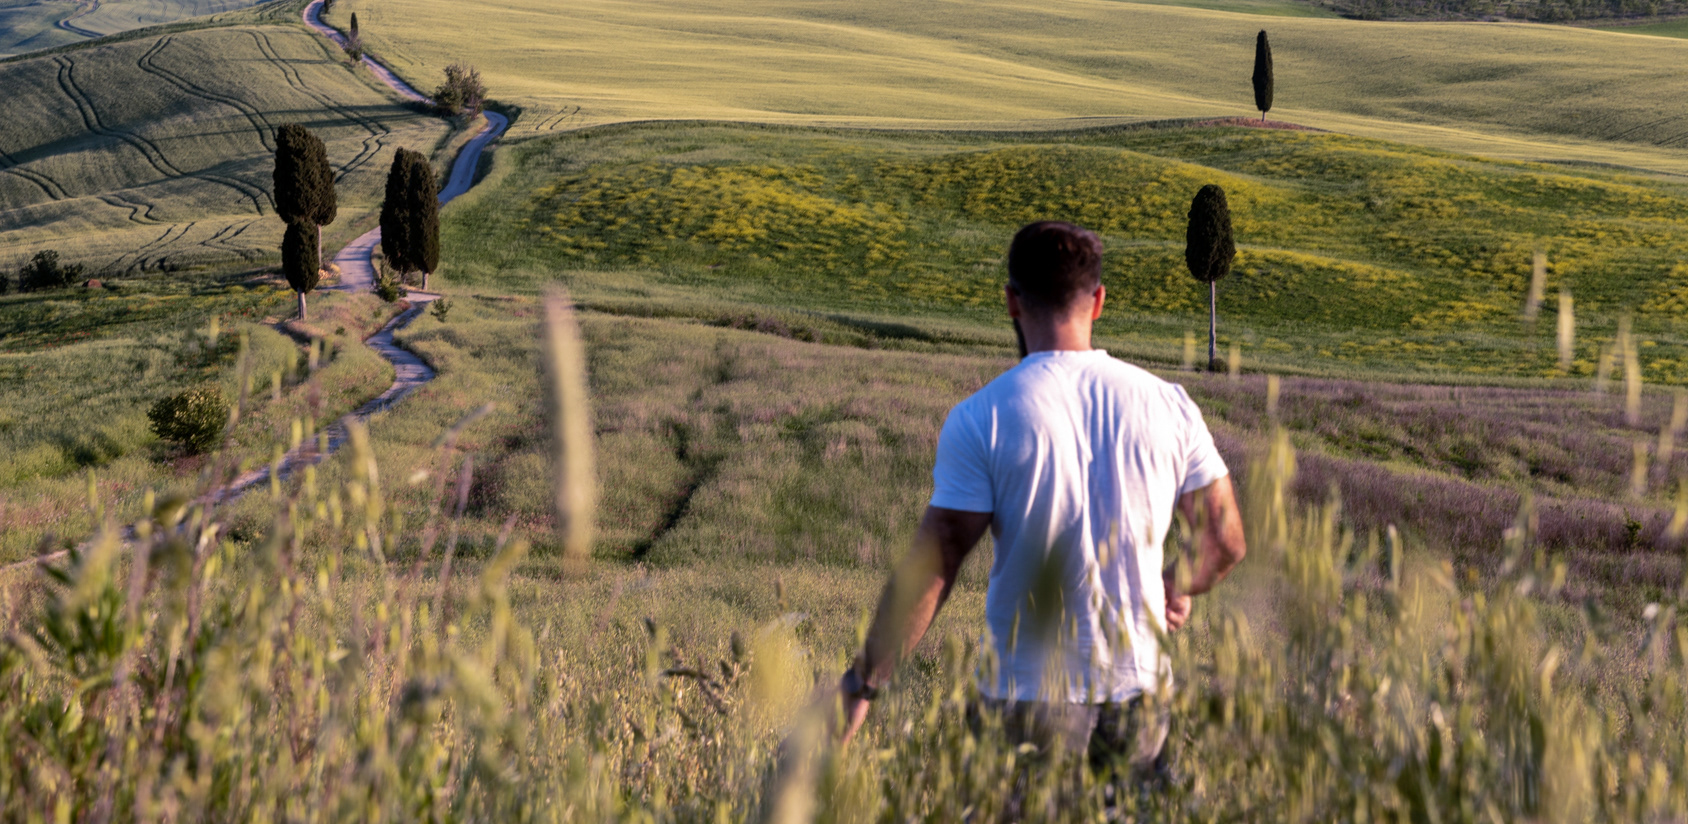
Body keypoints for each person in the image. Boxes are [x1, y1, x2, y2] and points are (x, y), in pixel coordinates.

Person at [830, 220, 1247, 778]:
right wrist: (1173, 585)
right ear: (1098, 302)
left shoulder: (983, 416)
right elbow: (1225, 540)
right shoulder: (1170, 406)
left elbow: (935, 566)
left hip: (1025, 699)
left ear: (1011, 301)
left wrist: (862, 685)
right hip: (1141, 693)